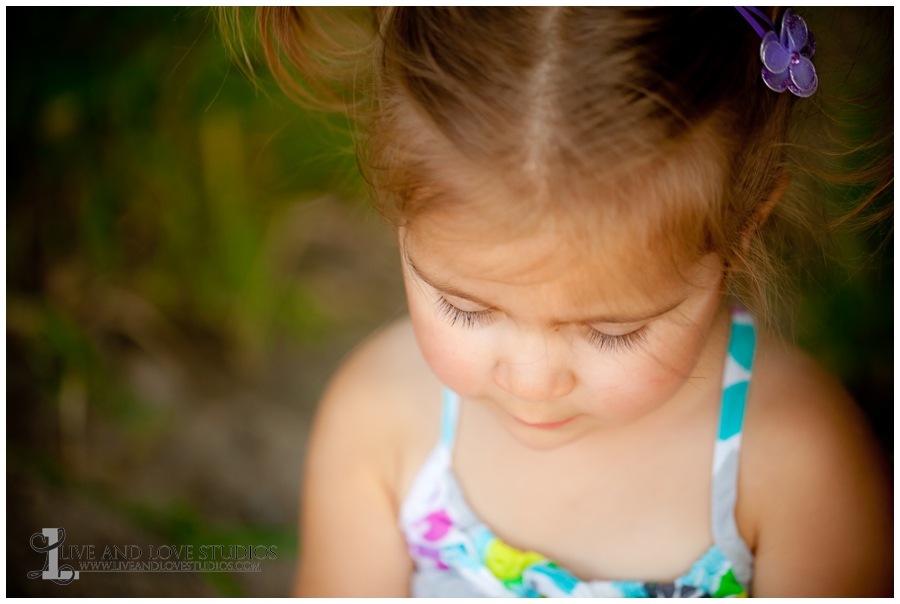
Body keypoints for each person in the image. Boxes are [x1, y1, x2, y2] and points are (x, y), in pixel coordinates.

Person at [225, 7, 892, 597]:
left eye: (612, 332)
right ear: (400, 216)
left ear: (741, 232)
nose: (534, 381)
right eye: (466, 308)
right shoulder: (383, 421)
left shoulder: (797, 469)